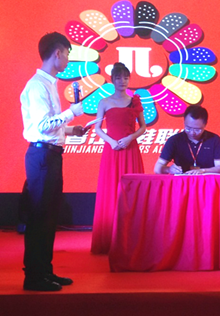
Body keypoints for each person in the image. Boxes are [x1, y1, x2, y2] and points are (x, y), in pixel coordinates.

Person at [20, 32, 87, 291]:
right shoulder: (37, 85)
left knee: (49, 216)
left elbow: (48, 126)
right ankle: (34, 276)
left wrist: (70, 129)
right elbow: (41, 127)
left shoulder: (49, 83)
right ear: (57, 53)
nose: (68, 59)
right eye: (67, 54)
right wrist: (72, 113)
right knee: (40, 216)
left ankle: (45, 271)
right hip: (42, 157)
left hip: (51, 154)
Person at [91, 63, 146, 254]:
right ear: (112, 80)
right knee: (111, 190)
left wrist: (130, 138)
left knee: (132, 193)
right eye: (118, 78)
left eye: (125, 78)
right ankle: (109, 239)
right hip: (112, 151)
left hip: (131, 151)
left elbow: (143, 127)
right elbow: (97, 128)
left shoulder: (134, 101)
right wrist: (111, 141)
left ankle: (132, 241)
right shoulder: (104, 102)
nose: (122, 81)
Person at [154, 105, 220, 174]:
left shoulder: (214, 140)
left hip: (206, 180)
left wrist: (203, 171)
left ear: (205, 124)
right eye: (188, 128)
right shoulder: (174, 141)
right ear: (184, 122)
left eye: (197, 129)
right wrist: (168, 169)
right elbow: (157, 168)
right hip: (181, 180)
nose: (192, 133)